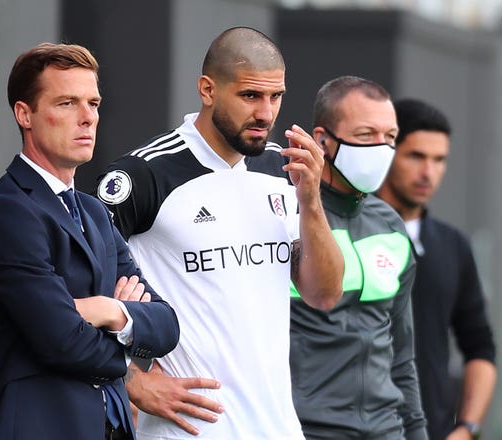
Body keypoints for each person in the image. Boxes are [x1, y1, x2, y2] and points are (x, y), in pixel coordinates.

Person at [96, 27, 344, 439]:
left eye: (275, 96)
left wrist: (312, 201)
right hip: (187, 431)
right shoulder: (144, 175)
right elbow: (69, 287)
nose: (266, 112)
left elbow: (324, 294)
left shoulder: (280, 169)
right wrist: (132, 381)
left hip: (278, 429)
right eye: (250, 96)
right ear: (208, 90)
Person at [0, 42, 179, 440]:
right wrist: (129, 330)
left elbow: (167, 327)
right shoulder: (4, 213)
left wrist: (109, 310)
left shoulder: (94, 212)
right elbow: (63, 342)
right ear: (25, 114)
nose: (87, 118)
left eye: (93, 103)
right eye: (67, 103)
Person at [289, 76, 428, 440]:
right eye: (366, 135)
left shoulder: (391, 226)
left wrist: (416, 432)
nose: (382, 148)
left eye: (391, 137)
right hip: (301, 430)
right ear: (322, 141)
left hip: (386, 430)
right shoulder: (284, 217)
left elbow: (401, 354)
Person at [377, 98, 497, 440]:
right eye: (416, 156)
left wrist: (467, 428)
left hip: (432, 429)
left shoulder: (453, 245)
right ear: (388, 153)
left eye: (439, 160)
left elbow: (480, 346)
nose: (428, 172)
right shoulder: (345, 232)